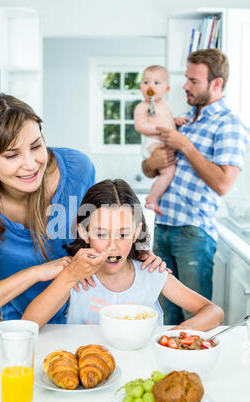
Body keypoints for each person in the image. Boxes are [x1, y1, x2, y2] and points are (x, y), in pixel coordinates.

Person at [0, 94, 167, 329]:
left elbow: (104, 223)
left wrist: (137, 252)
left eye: (36, 146)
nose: (31, 164)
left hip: (85, 324)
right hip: (29, 330)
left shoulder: (77, 169)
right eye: (12, 155)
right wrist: (34, 273)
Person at [23, 179, 223, 330]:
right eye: (101, 234)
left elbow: (213, 312)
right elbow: (28, 325)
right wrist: (68, 277)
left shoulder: (150, 272)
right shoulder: (74, 276)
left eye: (123, 234)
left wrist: (176, 333)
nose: (113, 246)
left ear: (136, 232)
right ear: (84, 232)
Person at [141, 49, 249, 325]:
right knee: (165, 316)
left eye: (194, 81)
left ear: (216, 84)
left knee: (196, 318)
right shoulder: (184, 120)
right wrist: (152, 161)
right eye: (186, 79)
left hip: (193, 234)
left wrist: (185, 146)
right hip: (164, 229)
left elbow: (224, 184)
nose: (186, 87)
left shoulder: (230, 125)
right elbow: (150, 169)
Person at [134, 65, 188, 215]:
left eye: (156, 83)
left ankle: (154, 197)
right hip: (153, 143)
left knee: (171, 167)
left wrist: (174, 120)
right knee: (168, 170)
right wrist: (160, 128)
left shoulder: (165, 105)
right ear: (140, 87)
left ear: (167, 89)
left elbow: (167, 120)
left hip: (163, 142)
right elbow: (140, 126)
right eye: (146, 82)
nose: (150, 86)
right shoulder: (142, 106)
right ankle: (152, 197)